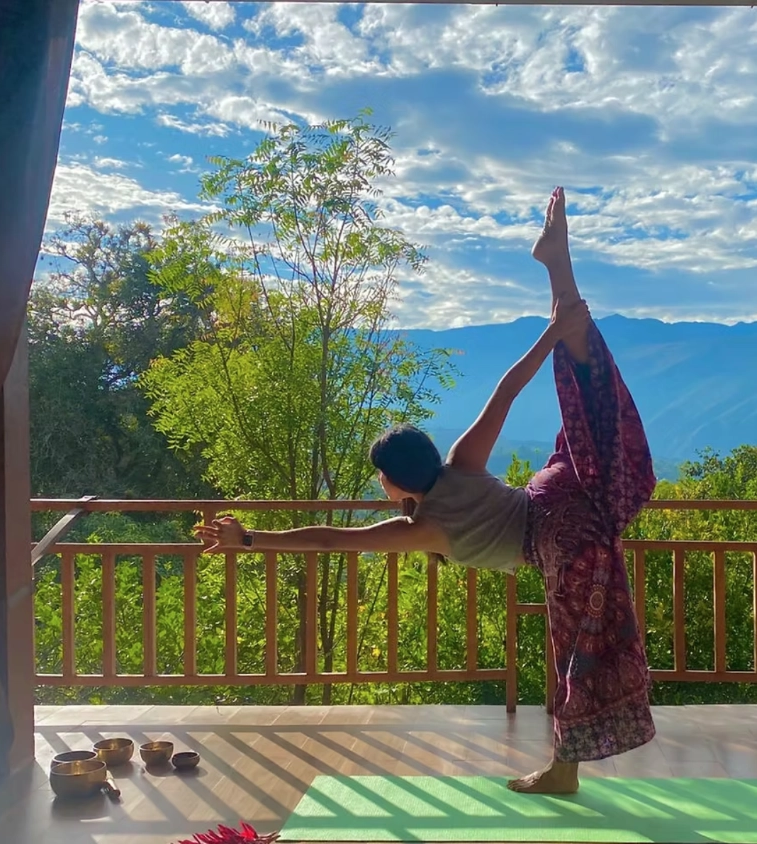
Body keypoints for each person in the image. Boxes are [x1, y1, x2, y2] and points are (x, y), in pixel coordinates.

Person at [195, 188, 657, 794]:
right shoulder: (461, 463)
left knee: (576, 652)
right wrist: (552, 334)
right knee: (594, 401)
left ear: (393, 482)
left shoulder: (424, 530)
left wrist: (251, 538)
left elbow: (332, 540)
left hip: (566, 542)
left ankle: (562, 774)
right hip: (561, 487)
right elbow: (507, 390)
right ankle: (559, 273)